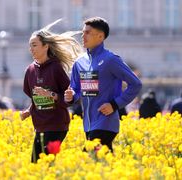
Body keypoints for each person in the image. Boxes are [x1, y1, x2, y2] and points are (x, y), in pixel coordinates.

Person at [64, 17, 142, 152]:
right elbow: (76, 90)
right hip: (88, 125)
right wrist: (70, 97)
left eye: (88, 32)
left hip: (105, 122)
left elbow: (135, 84)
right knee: (101, 166)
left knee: (88, 158)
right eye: (83, 32)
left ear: (100, 36)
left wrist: (114, 105)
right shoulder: (79, 63)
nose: (83, 36)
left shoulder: (111, 59)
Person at [21, 19, 82, 163]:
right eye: (30, 46)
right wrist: (29, 111)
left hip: (56, 125)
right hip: (40, 126)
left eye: (34, 45)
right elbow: (35, 98)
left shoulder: (56, 68)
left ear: (46, 46)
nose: (31, 49)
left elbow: (69, 100)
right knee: (35, 165)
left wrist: (52, 95)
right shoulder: (30, 70)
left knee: (44, 165)